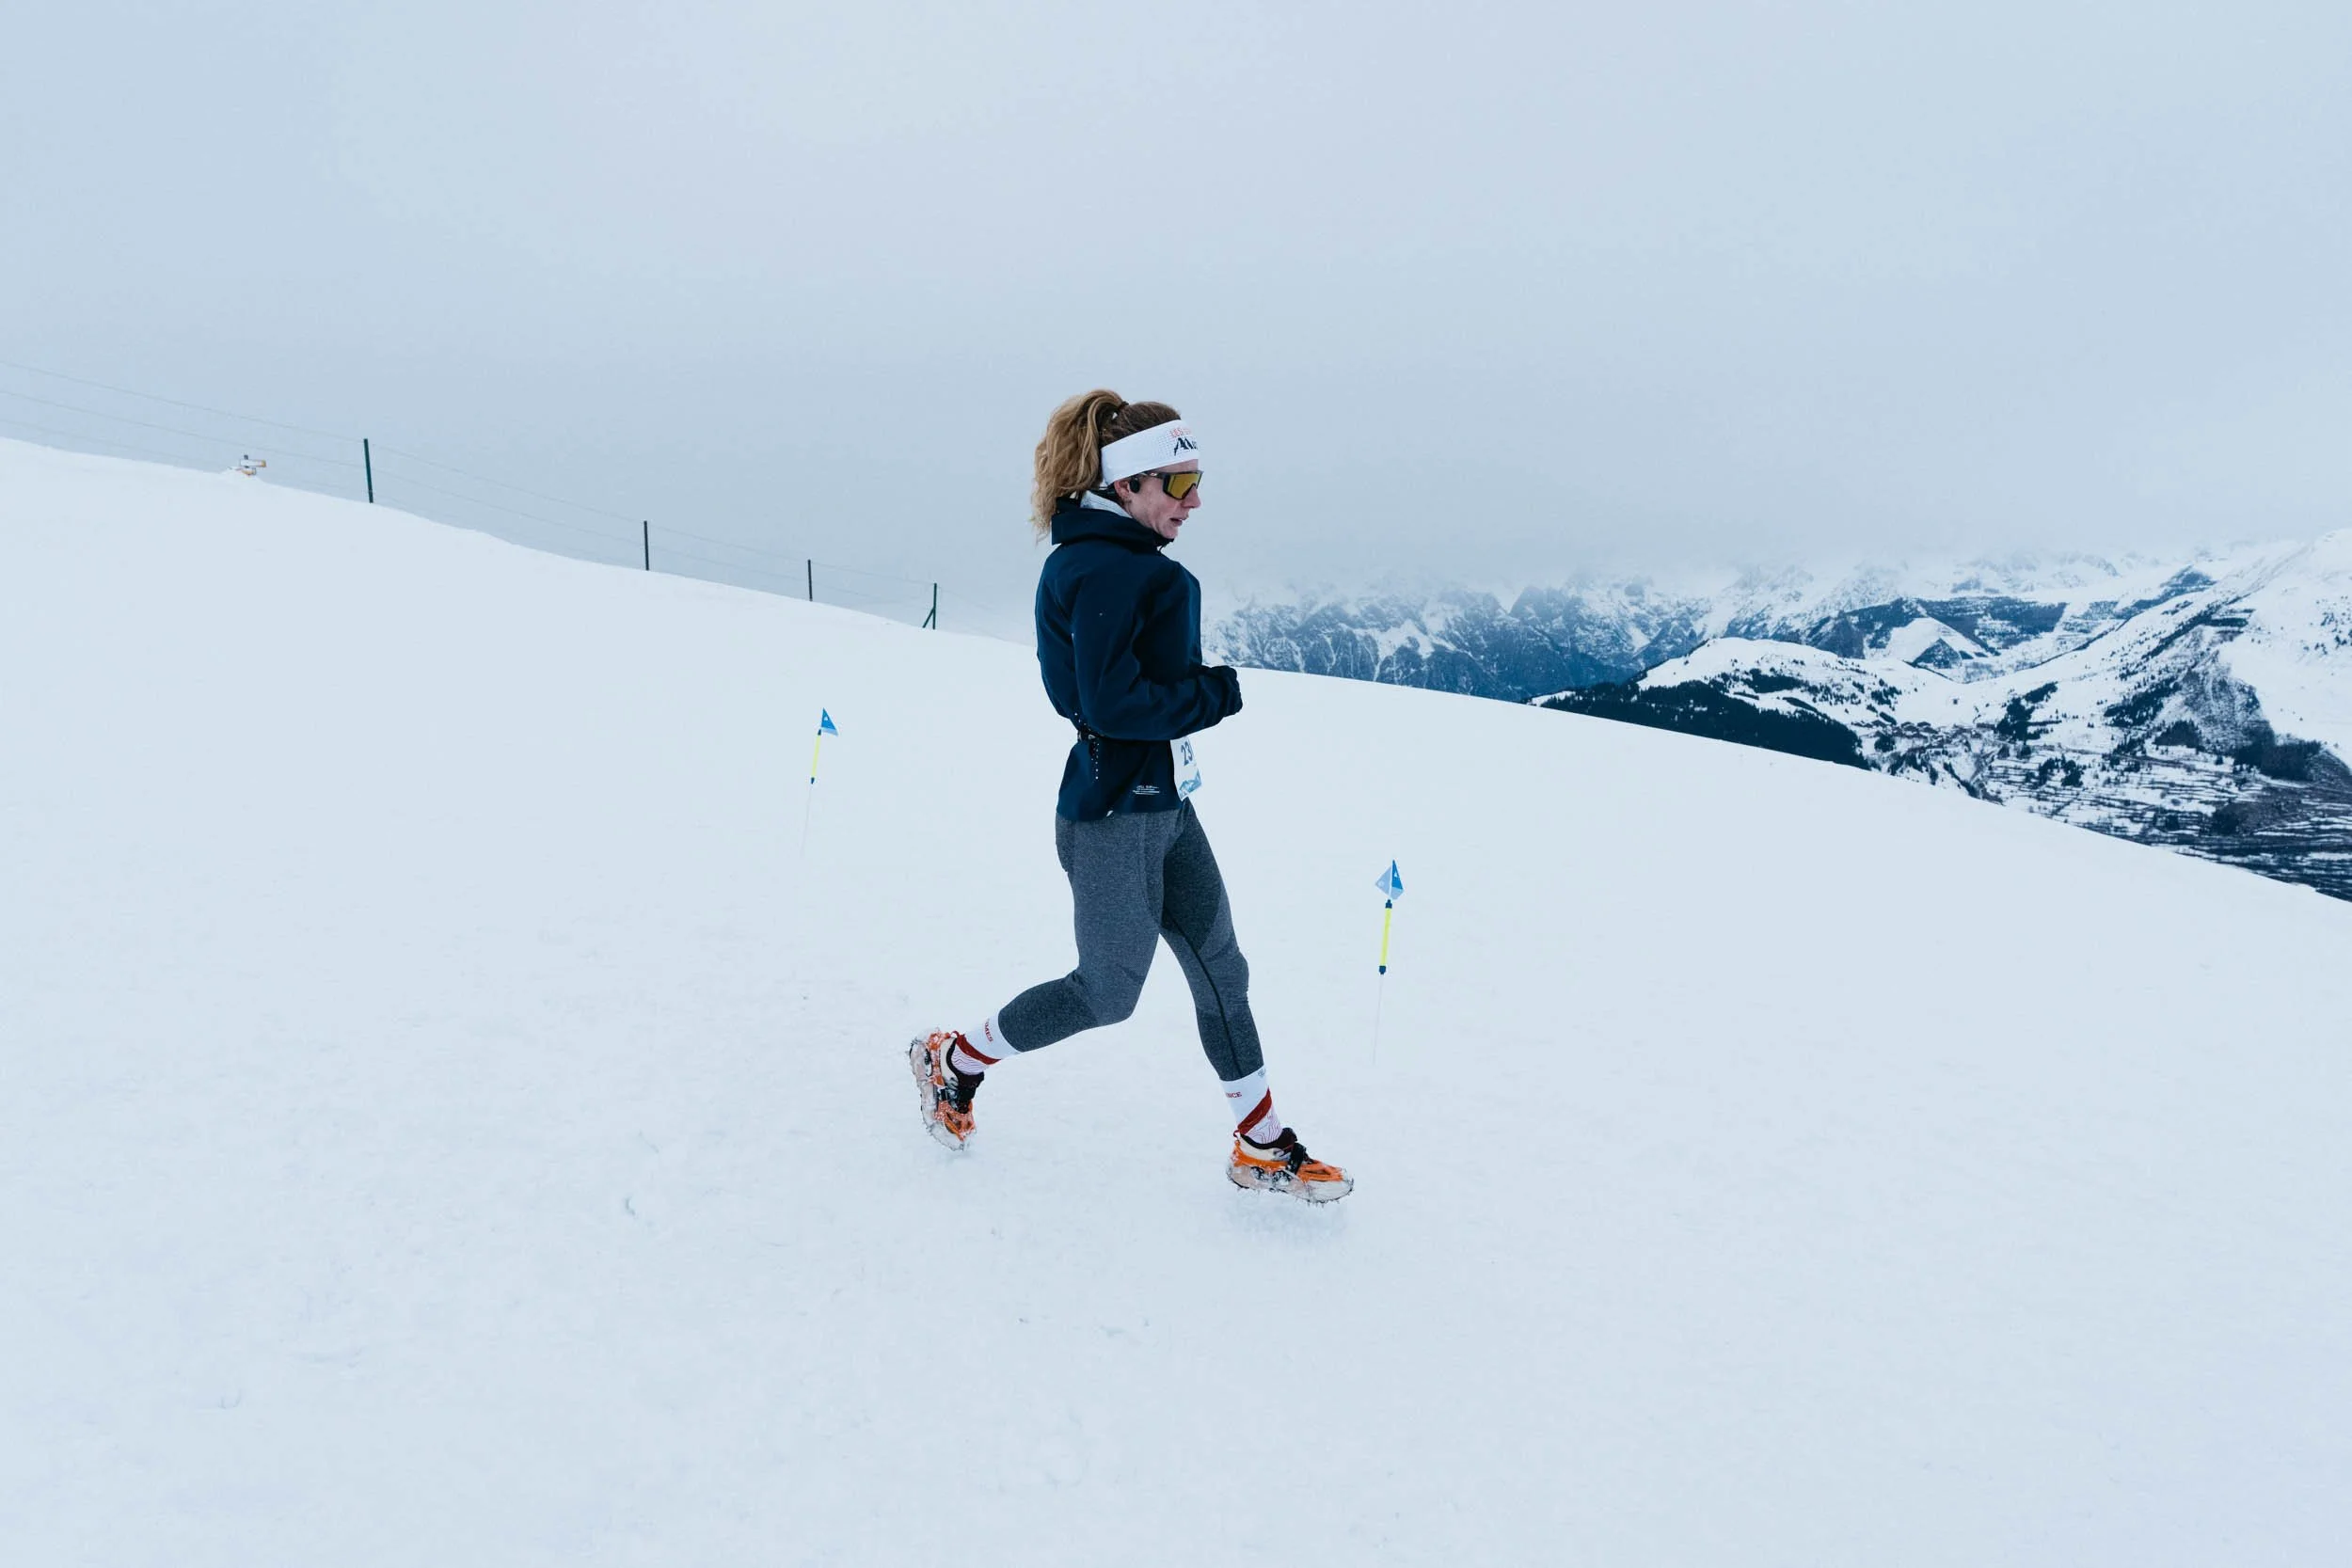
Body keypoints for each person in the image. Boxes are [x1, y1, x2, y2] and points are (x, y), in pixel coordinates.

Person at [909, 390, 1352, 1202]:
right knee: (1106, 993)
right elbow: (1107, 704)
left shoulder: (1109, 564)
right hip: (1115, 815)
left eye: (1196, 481)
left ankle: (1260, 1143)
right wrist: (1214, 695)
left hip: (1164, 806)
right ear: (1126, 486)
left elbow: (1098, 697)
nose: (1194, 501)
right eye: (1178, 485)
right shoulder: (1110, 570)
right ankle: (954, 1059)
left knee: (1222, 966)